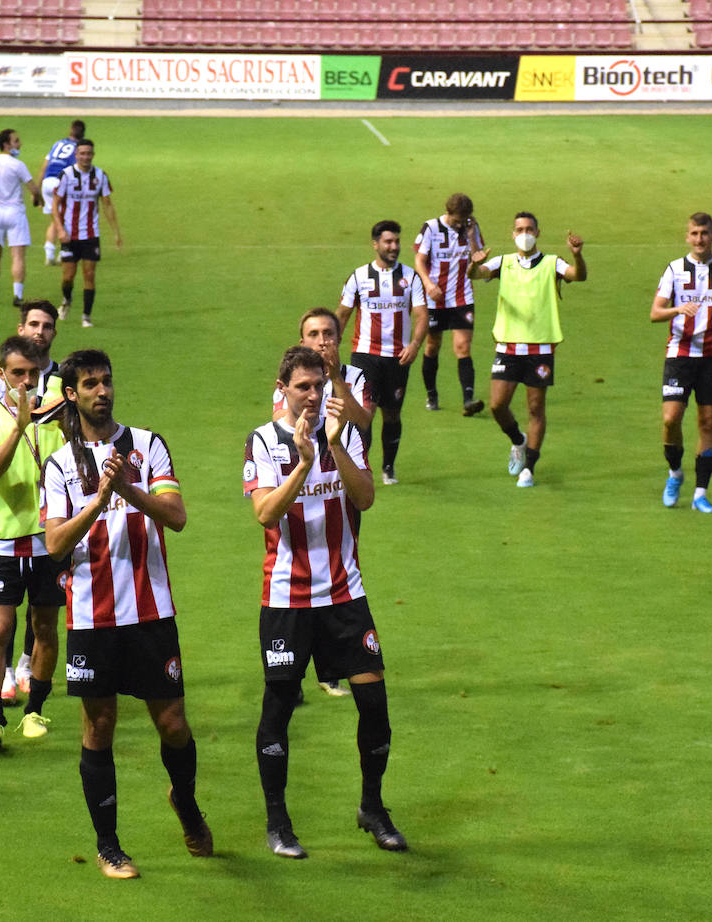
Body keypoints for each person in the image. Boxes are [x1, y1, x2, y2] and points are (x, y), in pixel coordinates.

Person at [41, 349, 210, 879]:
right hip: (92, 616)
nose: (102, 391)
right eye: (89, 383)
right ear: (71, 394)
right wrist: (97, 501)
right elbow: (53, 545)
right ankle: (109, 846)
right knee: (99, 725)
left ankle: (184, 800)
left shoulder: (148, 445)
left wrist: (128, 489)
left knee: (173, 723)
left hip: (151, 611)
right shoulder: (61, 465)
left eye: (106, 381)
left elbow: (176, 517)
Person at [245, 345, 406, 859]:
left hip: (344, 593)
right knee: (278, 709)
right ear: (284, 389)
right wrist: (303, 466)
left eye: (320, 386)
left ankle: (373, 807)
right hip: (287, 600)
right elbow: (266, 514)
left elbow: (365, 499)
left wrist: (333, 447)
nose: (314, 396)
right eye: (303, 388)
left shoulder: (347, 434)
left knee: (375, 704)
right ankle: (278, 821)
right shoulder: (264, 442)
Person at [0, 333, 67, 751]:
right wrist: (20, 428)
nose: (26, 381)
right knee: (0, 627)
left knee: (44, 627)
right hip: (4, 542)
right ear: (1, 375)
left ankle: (34, 710)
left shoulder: (59, 416)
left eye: (33, 373)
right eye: (17, 374)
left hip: (50, 541)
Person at [270, 306, 373, 698]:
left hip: (341, 479)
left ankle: (330, 666)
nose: (322, 340)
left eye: (328, 333)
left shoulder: (355, 376)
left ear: (339, 337)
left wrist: (337, 380)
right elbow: (280, 429)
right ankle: (292, 668)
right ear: (302, 341)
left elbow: (362, 423)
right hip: (299, 483)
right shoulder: (292, 382)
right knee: (295, 562)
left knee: (338, 565)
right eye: (313, 334)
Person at [469, 211, 586, 488]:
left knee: (536, 408)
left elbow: (577, 275)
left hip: (540, 347)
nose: (524, 233)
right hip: (508, 346)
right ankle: (518, 441)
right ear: (512, 234)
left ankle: (529, 469)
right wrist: (473, 265)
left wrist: (577, 255)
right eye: (520, 229)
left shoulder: (551, 263)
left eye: (529, 228)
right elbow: (476, 275)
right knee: (498, 405)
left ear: (538, 232)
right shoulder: (504, 262)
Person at [651, 211, 712, 513]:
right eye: (694, 233)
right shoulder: (675, 270)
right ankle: (675, 472)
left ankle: (700, 493)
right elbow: (655, 312)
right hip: (680, 356)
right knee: (670, 419)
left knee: (707, 423)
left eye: (704, 233)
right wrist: (678, 310)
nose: (699, 239)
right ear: (687, 236)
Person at [335, 219, 428, 486]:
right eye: (388, 242)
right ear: (375, 244)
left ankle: (388, 466)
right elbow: (342, 314)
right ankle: (360, 466)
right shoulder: (359, 277)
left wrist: (414, 345)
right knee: (364, 411)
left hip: (398, 357)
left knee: (392, 413)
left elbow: (422, 315)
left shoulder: (410, 277)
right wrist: (329, 346)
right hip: (365, 355)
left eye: (397, 241)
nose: (394, 246)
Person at [414, 193, 487, 416]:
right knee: (432, 345)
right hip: (435, 298)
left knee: (463, 347)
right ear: (448, 213)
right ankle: (432, 394)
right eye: (456, 221)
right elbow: (419, 260)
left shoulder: (471, 227)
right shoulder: (431, 227)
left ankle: (468, 400)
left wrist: (473, 236)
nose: (459, 225)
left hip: (463, 297)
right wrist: (428, 284)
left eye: (463, 221)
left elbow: (479, 259)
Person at [50, 138, 121, 328]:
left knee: (89, 275)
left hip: (90, 235)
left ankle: (86, 316)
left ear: (93, 155)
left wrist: (116, 232)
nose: (85, 157)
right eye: (82, 153)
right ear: (76, 155)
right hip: (69, 235)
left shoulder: (100, 176)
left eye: (89, 153)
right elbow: (55, 204)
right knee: (68, 277)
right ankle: (67, 300)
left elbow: (107, 204)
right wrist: (60, 229)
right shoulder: (65, 175)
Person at [0, 128, 39, 307]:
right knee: (17, 255)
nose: (19, 144)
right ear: (6, 144)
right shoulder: (17, 165)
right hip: (15, 213)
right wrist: (38, 198)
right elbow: (33, 189)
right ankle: (17, 295)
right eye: (16, 141)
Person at [36, 118, 83, 266]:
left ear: (70, 130)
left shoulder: (58, 144)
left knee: (55, 219)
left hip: (47, 182)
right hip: (60, 182)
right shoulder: (78, 148)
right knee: (67, 218)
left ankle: (49, 253)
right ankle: (64, 253)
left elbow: (44, 166)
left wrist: (36, 191)